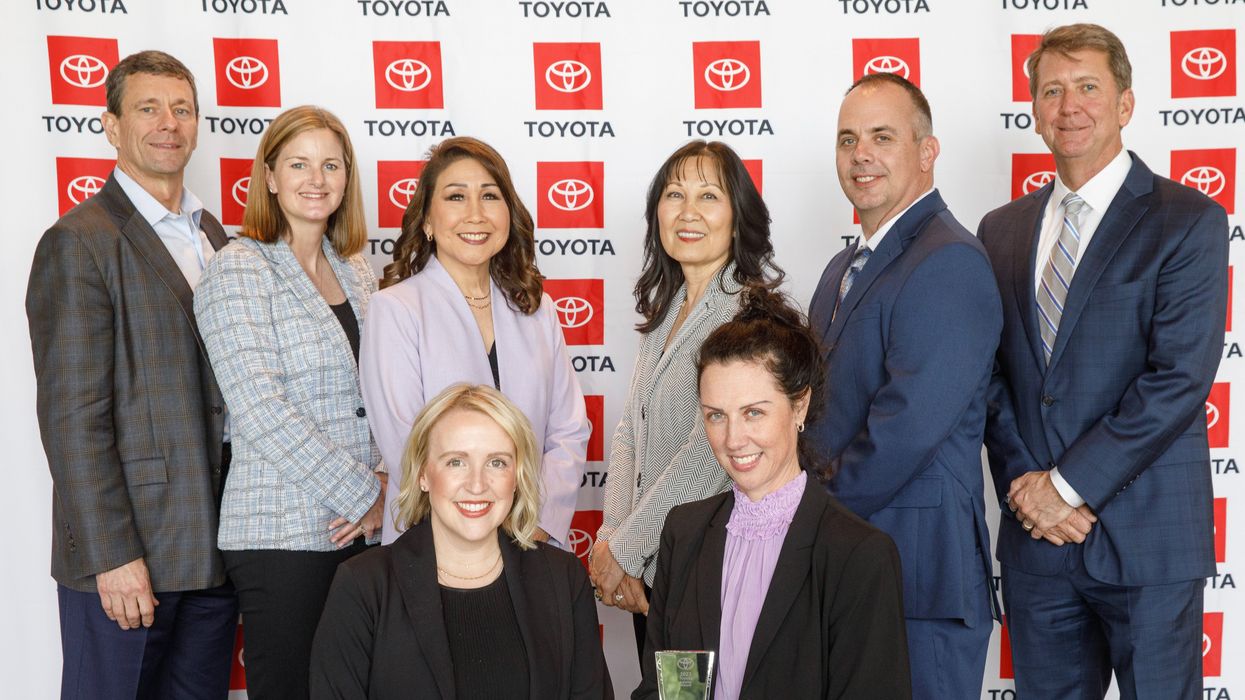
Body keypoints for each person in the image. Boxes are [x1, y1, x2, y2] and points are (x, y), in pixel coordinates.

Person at [979, 23, 1228, 699]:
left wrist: (1063, 488)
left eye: (1087, 86)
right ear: (1032, 109)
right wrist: (1029, 490)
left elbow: (1176, 381)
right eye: (1051, 90)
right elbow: (991, 379)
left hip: (1146, 539)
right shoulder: (999, 231)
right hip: (1037, 546)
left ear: (1124, 104)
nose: (1069, 106)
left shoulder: (1188, 220)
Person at [26, 50, 238, 699]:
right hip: (129, 559)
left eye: (181, 109)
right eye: (147, 108)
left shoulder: (218, 240)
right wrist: (112, 555)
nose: (167, 123)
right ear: (112, 125)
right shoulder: (79, 241)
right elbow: (72, 419)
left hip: (215, 555)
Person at [804, 72, 1003, 700]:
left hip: (921, 574)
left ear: (926, 151)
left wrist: (806, 512)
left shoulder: (948, 260)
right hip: (855, 568)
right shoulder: (843, 266)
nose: (860, 154)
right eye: (847, 139)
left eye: (882, 137)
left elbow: (907, 425)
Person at [634, 289, 911, 700]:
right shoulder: (685, 532)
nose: (732, 439)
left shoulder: (858, 555)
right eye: (716, 416)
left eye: (754, 412)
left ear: (799, 407)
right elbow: (671, 690)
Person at [194, 105, 383, 700]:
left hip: (363, 533)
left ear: (347, 176)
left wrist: (387, 482)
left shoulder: (356, 268)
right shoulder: (237, 268)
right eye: (298, 164)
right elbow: (260, 410)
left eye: (331, 164)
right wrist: (367, 493)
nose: (316, 178)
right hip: (281, 535)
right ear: (269, 176)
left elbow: (380, 390)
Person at [591, 140, 785, 660]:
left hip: (707, 563)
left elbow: (711, 450)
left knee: (696, 691)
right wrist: (613, 535)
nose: (688, 211)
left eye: (709, 196)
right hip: (650, 565)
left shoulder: (747, 315)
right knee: (664, 694)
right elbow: (631, 429)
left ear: (738, 215)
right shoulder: (666, 311)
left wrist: (629, 548)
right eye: (674, 194)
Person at [310, 384, 611, 699]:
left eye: (497, 462)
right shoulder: (364, 585)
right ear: (423, 474)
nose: (477, 484)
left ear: (518, 475)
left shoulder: (562, 577)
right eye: (456, 462)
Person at [361, 136, 589, 548]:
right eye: (455, 197)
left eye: (490, 195)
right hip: (437, 546)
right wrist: (481, 527)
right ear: (427, 221)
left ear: (509, 213)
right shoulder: (394, 309)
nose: (475, 214)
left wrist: (532, 522)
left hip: (530, 543)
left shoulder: (537, 310)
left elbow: (569, 430)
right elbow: (407, 447)